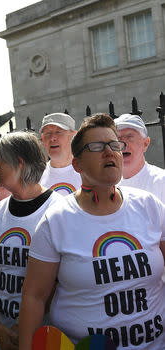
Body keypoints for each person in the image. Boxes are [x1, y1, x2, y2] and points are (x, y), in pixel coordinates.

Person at [19, 113, 165, 350]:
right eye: (97, 146)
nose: (110, 152)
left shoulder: (149, 205)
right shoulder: (55, 221)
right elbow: (34, 296)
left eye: (114, 144)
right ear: (77, 164)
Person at [0, 132, 61, 350]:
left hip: (46, 334)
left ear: (20, 164)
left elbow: (58, 280)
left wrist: (19, 328)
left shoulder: (58, 210)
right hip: (4, 333)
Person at [115, 113, 165, 203]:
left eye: (130, 137)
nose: (123, 144)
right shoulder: (106, 185)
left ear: (145, 144)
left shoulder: (161, 181)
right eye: (118, 138)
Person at [39, 112, 82, 196]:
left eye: (58, 132)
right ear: (43, 139)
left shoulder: (88, 172)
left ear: (74, 136)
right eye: (48, 133)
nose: (52, 138)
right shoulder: (36, 177)